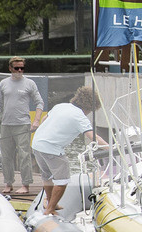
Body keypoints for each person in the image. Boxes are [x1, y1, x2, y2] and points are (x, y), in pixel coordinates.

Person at [29, 85, 102, 215]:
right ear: (90, 107)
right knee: (62, 180)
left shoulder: (60, 106)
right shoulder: (80, 116)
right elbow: (93, 136)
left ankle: (51, 201)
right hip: (52, 148)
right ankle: (50, 209)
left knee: (47, 176)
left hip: (37, 144)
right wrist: (111, 147)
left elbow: (45, 119)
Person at [0, 56, 44, 195]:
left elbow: (39, 102)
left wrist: (36, 120)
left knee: (24, 154)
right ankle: (8, 183)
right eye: (17, 68)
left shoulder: (30, 83)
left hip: (23, 124)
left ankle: (26, 184)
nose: (20, 70)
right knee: (6, 155)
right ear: (10, 68)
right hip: (6, 124)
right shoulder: (3, 83)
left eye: (22, 68)